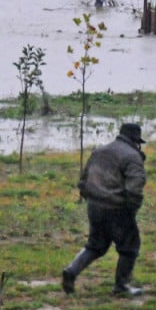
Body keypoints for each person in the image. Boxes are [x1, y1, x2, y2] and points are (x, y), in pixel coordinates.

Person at [62, 123, 147, 296]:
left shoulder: (99, 151)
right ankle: (121, 286)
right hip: (117, 208)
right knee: (130, 247)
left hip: (94, 206)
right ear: (136, 140)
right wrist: (131, 208)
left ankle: (71, 270)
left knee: (95, 245)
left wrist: (91, 199)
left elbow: (84, 180)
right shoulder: (132, 156)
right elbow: (135, 188)